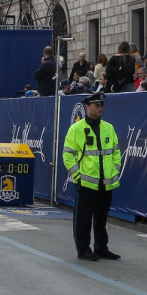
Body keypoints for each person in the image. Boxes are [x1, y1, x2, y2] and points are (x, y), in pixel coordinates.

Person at [62, 92, 122, 261]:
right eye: (96, 105)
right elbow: (67, 154)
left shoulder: (108, 127)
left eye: (102, 105)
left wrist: (115, 170)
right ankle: (83, 249)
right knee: (83, 219)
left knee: (101, 219)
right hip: (87, 182)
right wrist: (77, 175)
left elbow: (116, 151)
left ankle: (101, 247)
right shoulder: (76, 128)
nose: (100, 108)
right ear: (87, 107)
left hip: (106, 182)